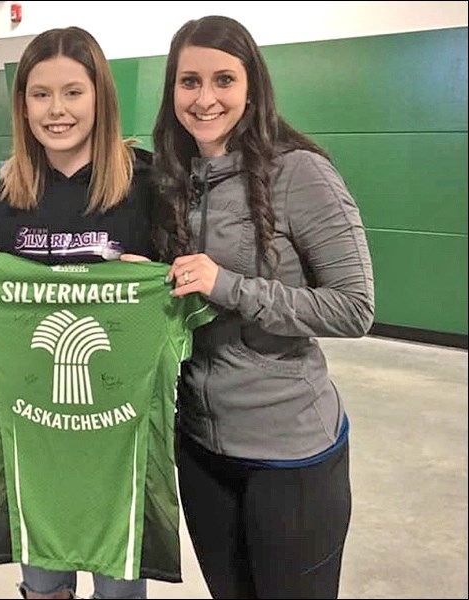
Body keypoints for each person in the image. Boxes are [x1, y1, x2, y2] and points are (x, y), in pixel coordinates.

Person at [148, 15, 375, 599]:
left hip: (291, 454)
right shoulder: (173, 179)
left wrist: (227, 285)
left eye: (223, 79)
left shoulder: (300, 172)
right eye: (188, 81)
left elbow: (353, 307)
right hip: (201, 448)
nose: (204, 98)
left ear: (252, 86)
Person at [0, 26, 158, 600]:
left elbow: (186, 289)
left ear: (100, 96)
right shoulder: (3, 199)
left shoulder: (150, 184)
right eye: (40, 94)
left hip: (121, 433)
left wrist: (151, 275)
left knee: (119, 585)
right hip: (36, 428)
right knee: (45, 580)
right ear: (22, 105)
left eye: (73, 92)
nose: (56, 110)